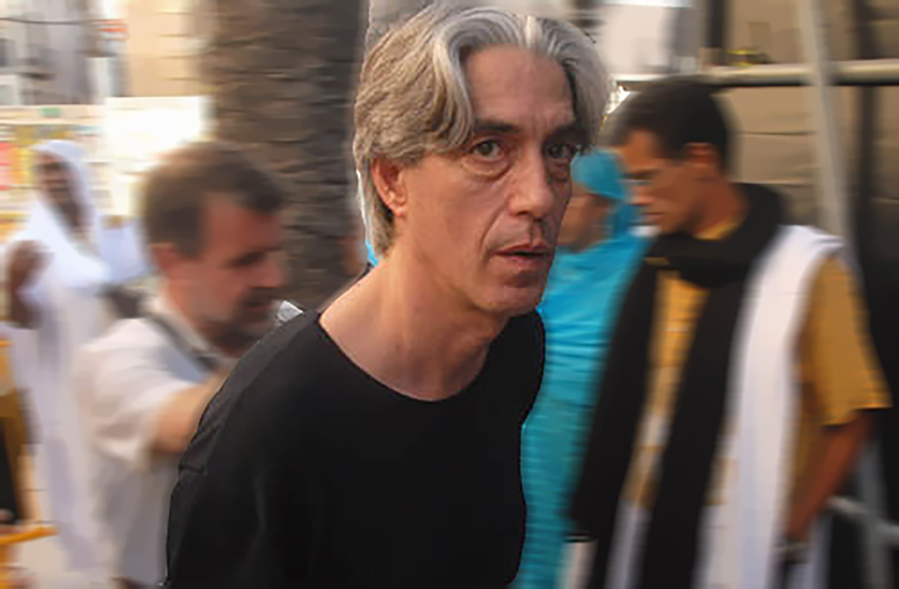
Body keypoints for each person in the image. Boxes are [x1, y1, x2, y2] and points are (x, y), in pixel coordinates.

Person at [165, 5, 608, 587]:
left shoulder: (512, 343)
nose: (540, 197)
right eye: (487, 149)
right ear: (392, 178)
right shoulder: (270, 428)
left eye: (557, 151)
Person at [568, 78, 890, 589]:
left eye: (648, 179)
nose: (637, 198)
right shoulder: (656, 262)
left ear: (702, 159)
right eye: (630, 182)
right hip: (636, 531)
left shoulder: (804, 271)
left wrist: (790, 535)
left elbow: (852, 415)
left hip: (739, 548)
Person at [75, 142, 294, 589]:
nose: (273, 277)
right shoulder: (116, 360)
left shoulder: (283, 325)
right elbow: (193, 426)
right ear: (171, 262)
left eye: (274, 252)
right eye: (246, 261)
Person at [1, 140, 147, 577]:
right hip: (65, 387)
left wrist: (115, 292)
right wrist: (14, 287)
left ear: (79, 172)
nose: (53, 178)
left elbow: (147, 297)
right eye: (44, 170)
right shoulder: (25, 246)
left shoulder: (116, 235)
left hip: (127, 380)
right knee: (81, 483)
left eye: (60, 167)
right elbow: (20, 323)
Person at [516, 149, 646, 588]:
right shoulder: (534, 265)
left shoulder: (640, 272)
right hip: (527, 467)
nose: (552, 207)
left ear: (606, 204)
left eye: (570, 195)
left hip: (598, 469)